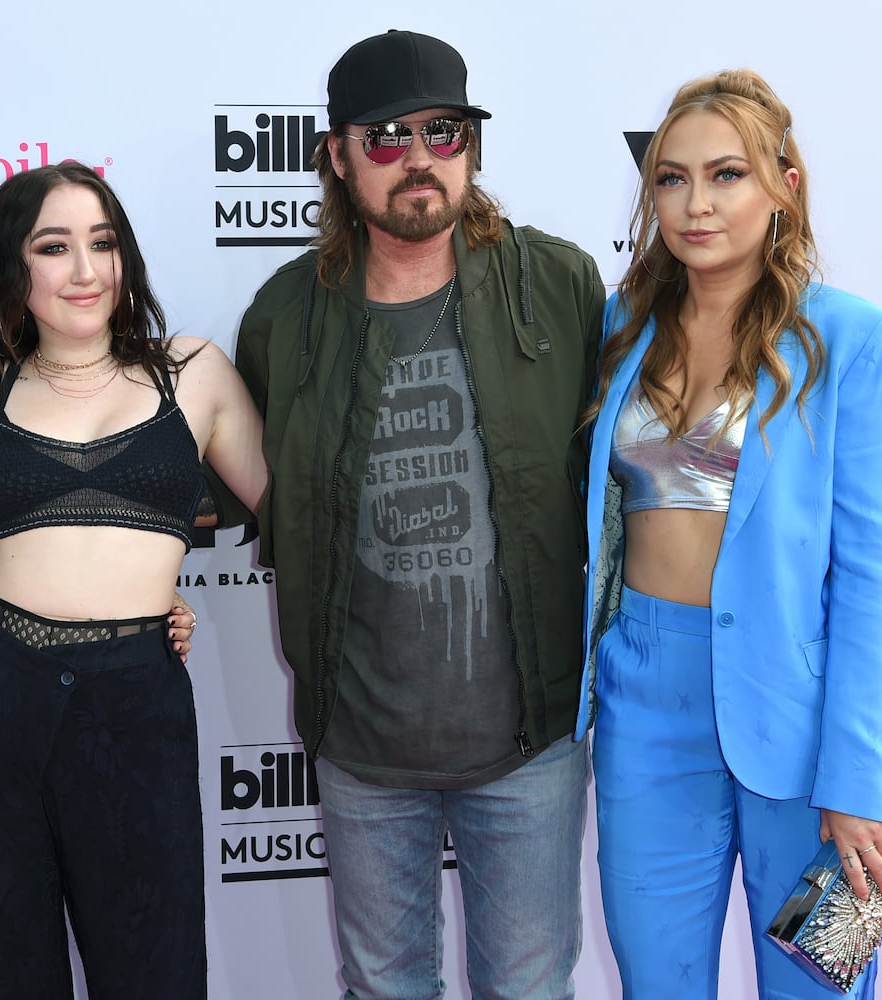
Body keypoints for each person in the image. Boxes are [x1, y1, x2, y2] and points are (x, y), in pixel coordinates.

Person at [234, 29, 603, 1000]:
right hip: (363, 747)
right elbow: (241, 470)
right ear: (337, 154)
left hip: (527, 738)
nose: (417, 158)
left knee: (527, 988)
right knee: (382, 987)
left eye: (442, 132)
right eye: (386, 137)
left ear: (471, 146)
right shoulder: (284, 316)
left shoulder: (557, 286)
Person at [577, 69, 882, 999]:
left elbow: (878, 580)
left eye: (726, 175)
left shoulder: (855, 340)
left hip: (803, 723)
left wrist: (862, 782)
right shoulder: (620, 326)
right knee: (658, 980)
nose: (696, 204)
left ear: (783, 186)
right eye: (672, 179)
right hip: (645, 702)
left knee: (822, 984)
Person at [0, 162, 267, 1000]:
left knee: (152, 968)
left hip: (136, 702)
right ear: (16, 266)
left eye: (103, 243)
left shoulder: (193, 370)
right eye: (55, 246)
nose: (85, 270)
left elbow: (300, 519)